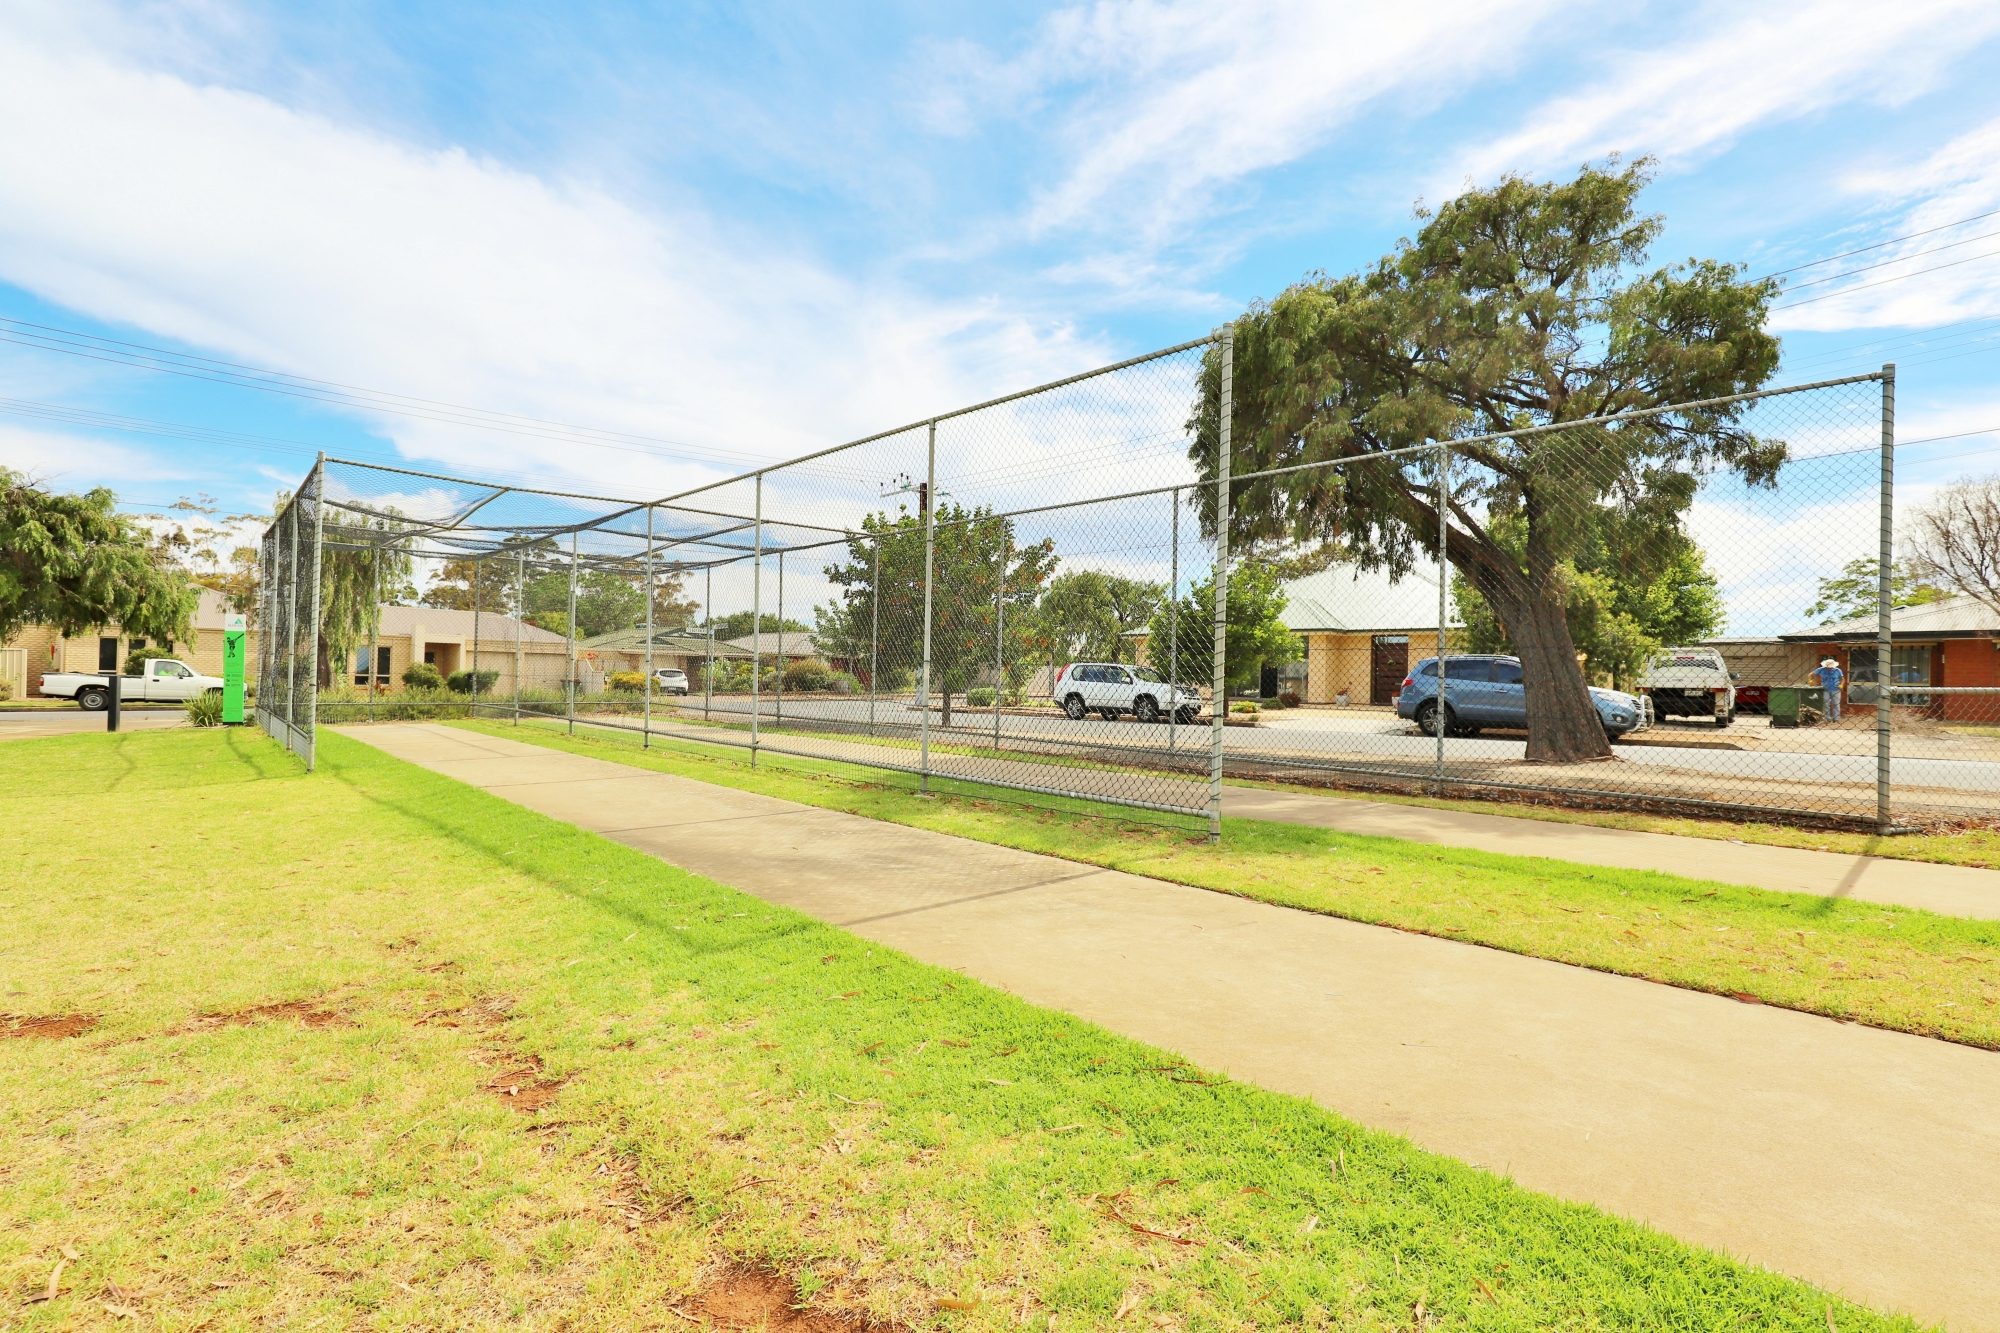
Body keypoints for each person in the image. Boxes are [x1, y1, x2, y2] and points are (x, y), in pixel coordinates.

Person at [1812, 657, 1844, 721]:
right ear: (1825, 665)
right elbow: (1810, 674)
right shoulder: (1820, 670)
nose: (1830, 668)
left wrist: (1841, 685)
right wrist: (1811, 680)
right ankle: (1827, 718)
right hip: (1825, 689)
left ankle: (1836, 718)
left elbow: (1842, 679)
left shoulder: (1838, 670)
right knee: (1826, 704)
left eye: (1831, 667)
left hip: (1836, 689)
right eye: (1828, 667)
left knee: (1836, 704)